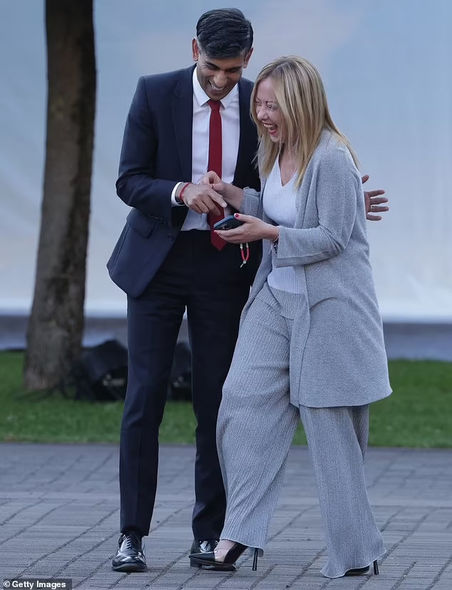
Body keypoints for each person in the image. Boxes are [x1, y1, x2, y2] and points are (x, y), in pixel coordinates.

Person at [108, 8, 388, 572]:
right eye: (214, 68)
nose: (223, 81)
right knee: (147, 399)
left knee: (220, 402)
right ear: (194, 50)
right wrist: (182, 191)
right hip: (160, 266)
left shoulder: (268, 107)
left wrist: (341, 204)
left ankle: (213, 535)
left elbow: (302, 192)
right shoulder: (156, 94)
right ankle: (131, 535)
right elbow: (129, 180)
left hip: (229, 268)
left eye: (235, 71)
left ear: (250, 61)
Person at [190, 56, 392, 578]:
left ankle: (357, 552)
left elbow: (332, 238)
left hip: (328, 310)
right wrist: (239, 197)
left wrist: (269, 234)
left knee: (330, 430)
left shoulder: (333, 158)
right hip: (276, 298)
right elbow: (282, 207)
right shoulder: (273, 151)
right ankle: (239, 531)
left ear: (301, 103)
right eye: (259, 104)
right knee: (240, 403)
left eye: (272, 105)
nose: (262, 114)